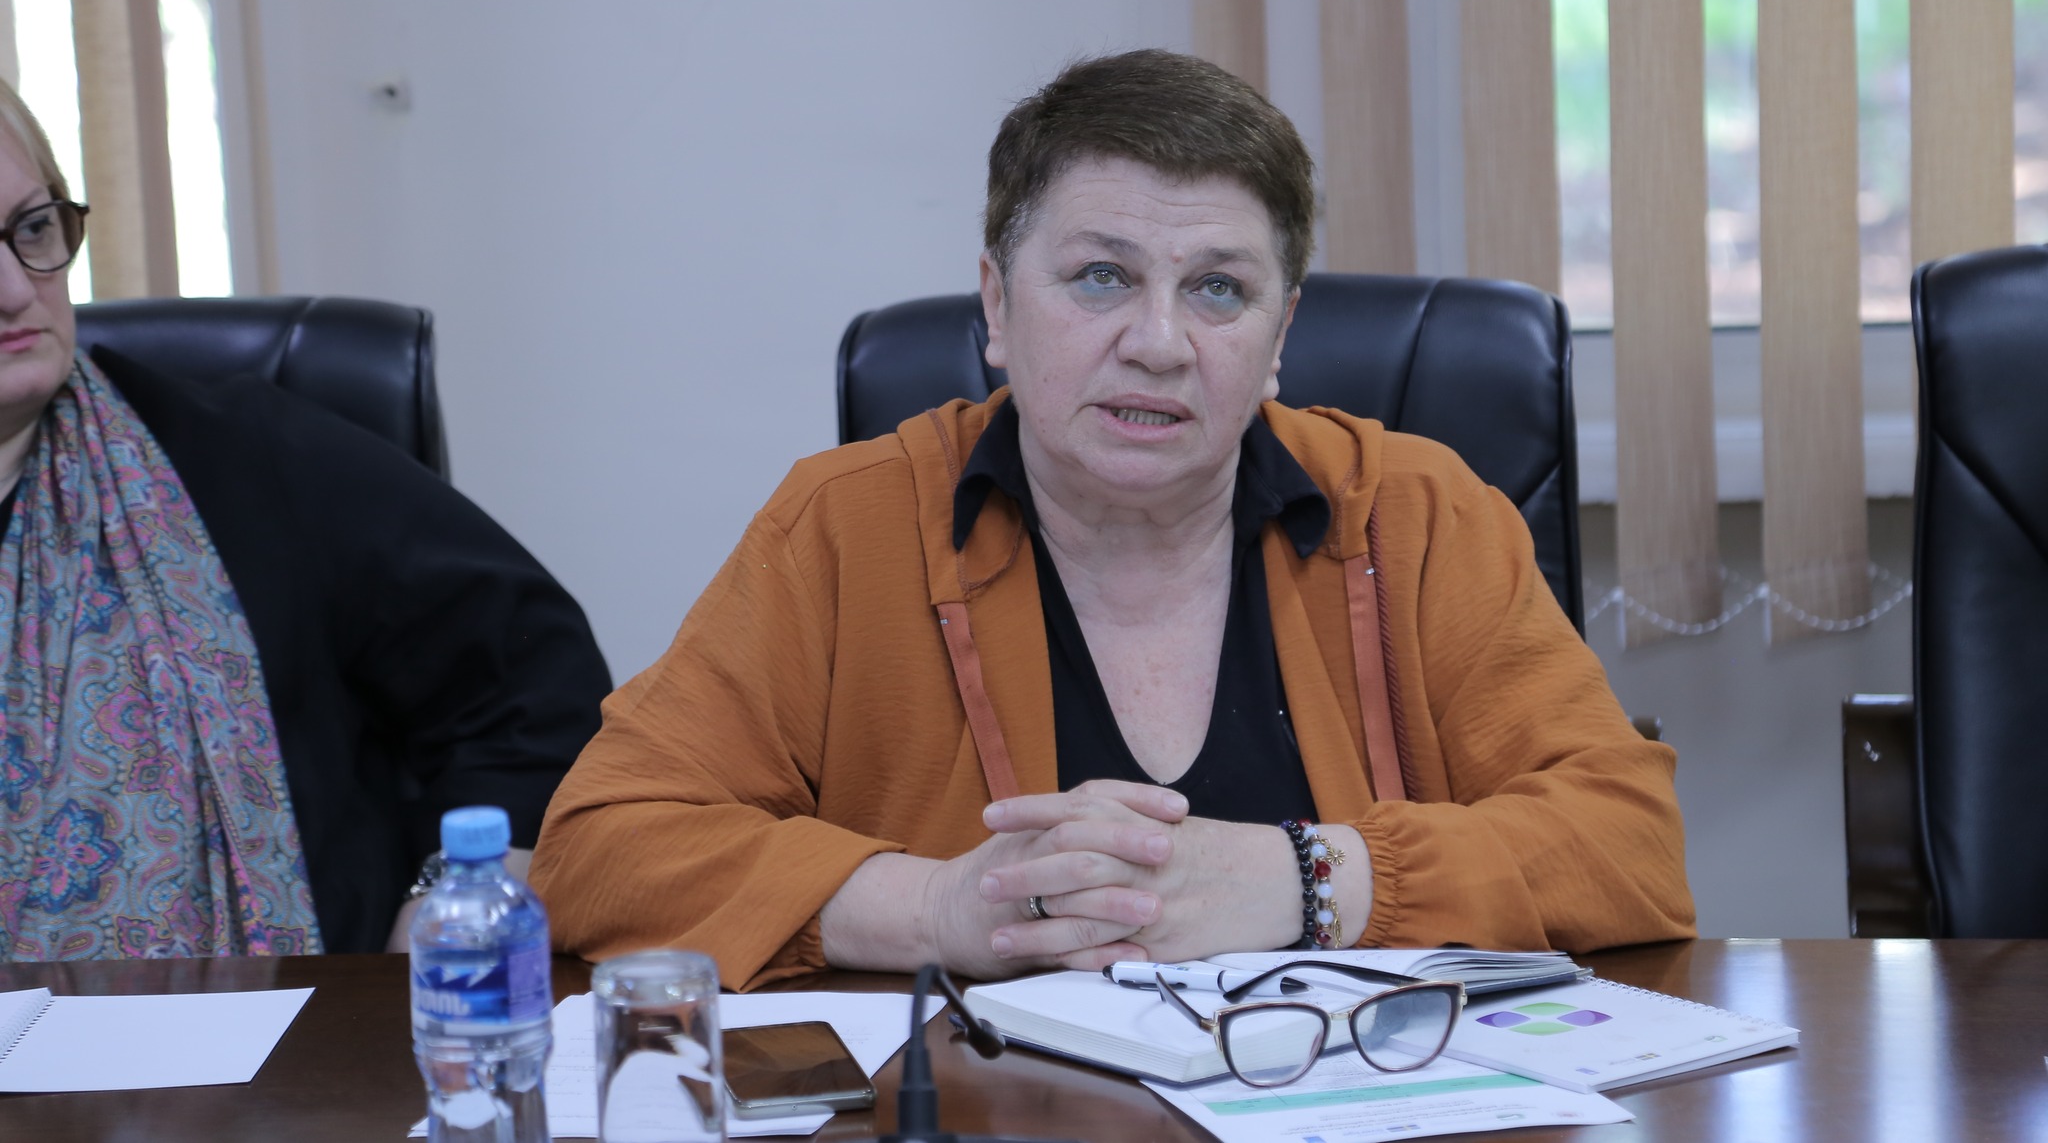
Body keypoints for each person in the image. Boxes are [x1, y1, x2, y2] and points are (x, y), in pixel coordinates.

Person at [532, 50, 1693, 990]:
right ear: (997, 304)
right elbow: (598, 849)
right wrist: (943, 905)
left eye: (1217, 288)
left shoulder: (1415, 514)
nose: (1157, 343)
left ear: (1279, 337)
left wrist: (1304, 880)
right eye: (1100, 276)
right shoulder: (846, 525)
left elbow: (1627, 846)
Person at [0, 81, 610, 959]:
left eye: (32, 228)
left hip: (294, 1033)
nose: (16, 289)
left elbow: (537, 685)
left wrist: (448, 902)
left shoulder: (243, 459)